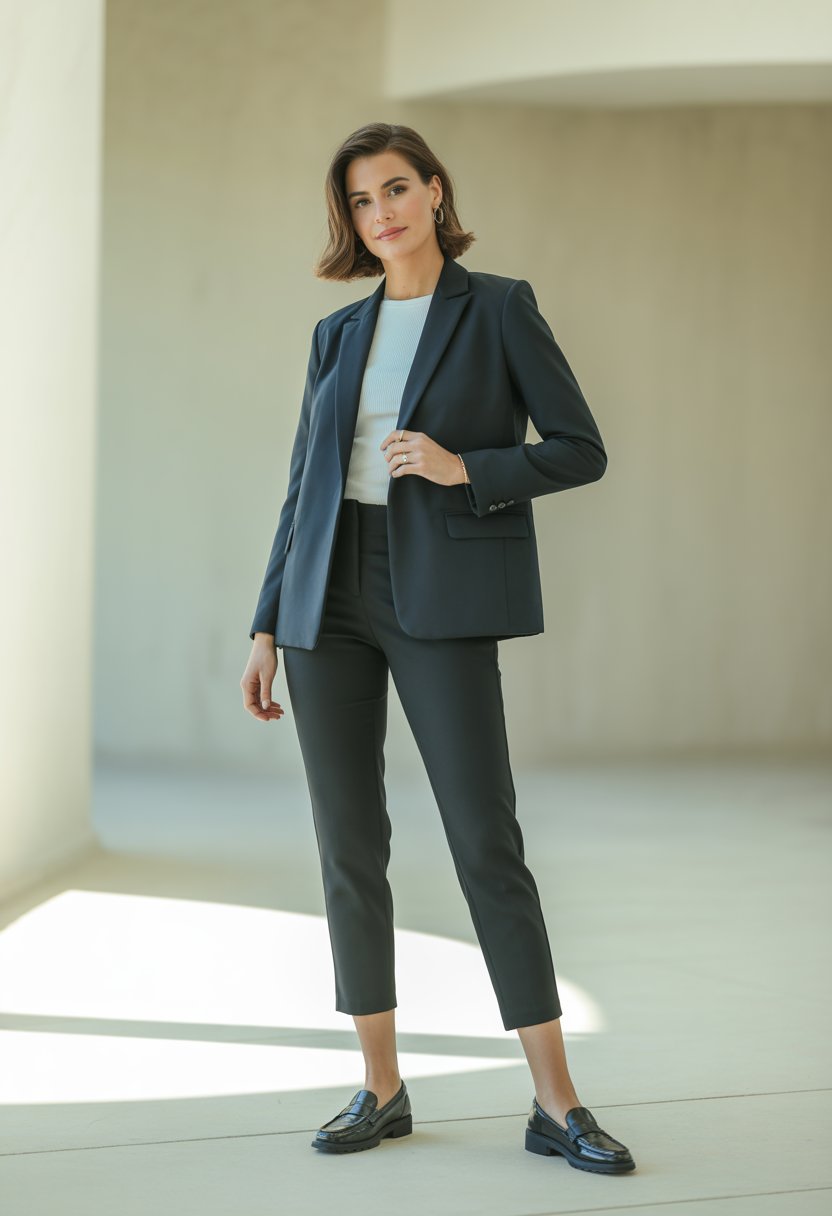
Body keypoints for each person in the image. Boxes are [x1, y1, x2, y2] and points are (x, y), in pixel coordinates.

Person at [240, 122, 635, 1174]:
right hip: (328, 597)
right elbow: (302, 486)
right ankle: (379, 1085)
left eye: (397, 189)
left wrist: (468, 468)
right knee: (347, 844)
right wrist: (266, 619)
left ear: (434, 190)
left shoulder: (497, 307)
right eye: (363, 202)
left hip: (439, 590)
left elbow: (579, 449)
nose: (384, 214)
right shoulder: (336, 332)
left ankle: (556, 1101)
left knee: (482, 839)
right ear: (352, 223)